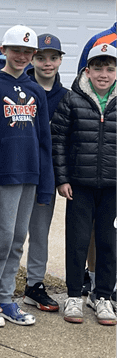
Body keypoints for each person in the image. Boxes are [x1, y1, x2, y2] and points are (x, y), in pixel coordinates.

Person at [0, 25, 52, 328]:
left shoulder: (35, 90)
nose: (22, 56)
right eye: (16, 50)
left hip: (31, 174)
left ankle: (4, 299)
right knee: (2, 238)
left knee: (18, 238)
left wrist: (46, 182)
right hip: (4, 174)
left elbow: (44, 139)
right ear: (4, 51)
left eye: (28, 52)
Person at [53, 40, 117, 325]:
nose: (103, 73)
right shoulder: (73, 98)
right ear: (87, 70)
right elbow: (59, 140)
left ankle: (103, 297)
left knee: (109, 242)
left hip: (115, 185)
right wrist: (63, 178)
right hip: (79, 183)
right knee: (77, 241)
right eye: (98, 67)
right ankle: (74, 295)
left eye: (109, 68)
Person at [21, 33, 68, 313]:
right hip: (19, 171)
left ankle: (34, 285)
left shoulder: (67, 98)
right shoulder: (21, 88)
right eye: (41, 57)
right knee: (9, 234)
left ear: (61, 60)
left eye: (53, 58)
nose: (47, 63)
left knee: (39, 232)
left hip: (46, 176)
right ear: (32, 59)